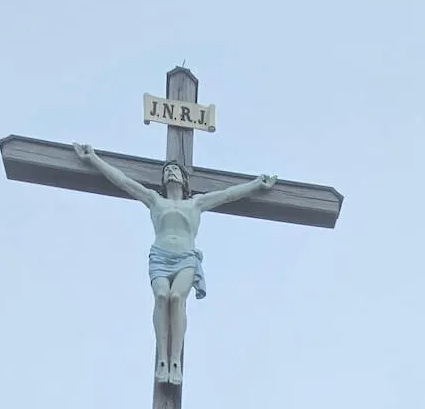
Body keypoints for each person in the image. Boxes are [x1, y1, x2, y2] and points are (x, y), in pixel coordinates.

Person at [73, 145, 277, 386]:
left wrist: (256, 183)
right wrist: (94, 159)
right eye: (167, 171)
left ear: (184, 179)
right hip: (160, 257)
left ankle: (176, 361)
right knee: (162, 296)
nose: (170, 173)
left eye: (175, 170)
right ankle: (162, 358)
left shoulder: (196, 204)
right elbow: (123, 181)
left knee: (176, 298)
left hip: (185, 259)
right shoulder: (154, 199)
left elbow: (230, 194)